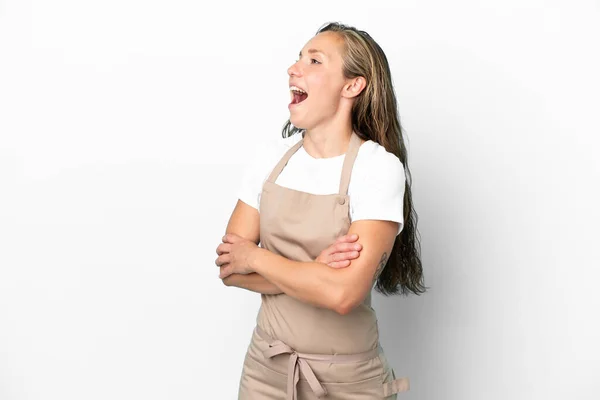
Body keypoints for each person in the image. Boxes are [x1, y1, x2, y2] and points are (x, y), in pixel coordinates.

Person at [215, 21, 426, 400]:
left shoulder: (377, 169)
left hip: (349, 382)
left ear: (352, 85)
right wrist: (316, 272)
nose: (294, 68)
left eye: (314, 60)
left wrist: (256, 257)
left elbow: (343, 296)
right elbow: (230, 268)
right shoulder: (271, 159)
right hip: (265, 372)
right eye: (298, 58)